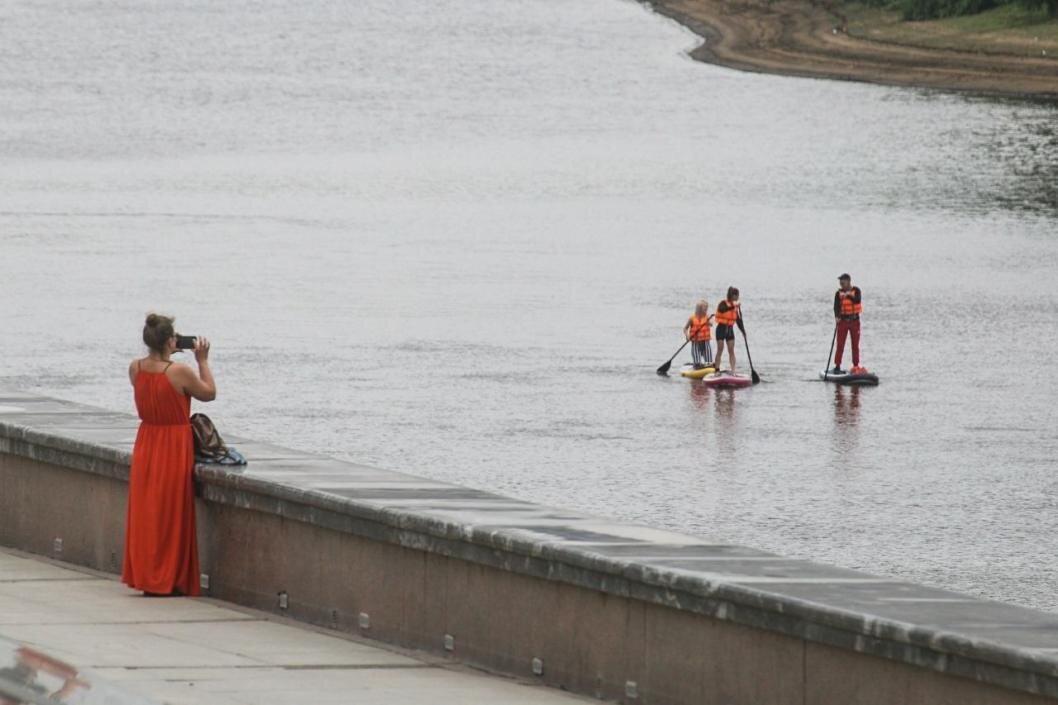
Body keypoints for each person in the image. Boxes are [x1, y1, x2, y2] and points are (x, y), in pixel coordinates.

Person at [122, 313, 215, 597]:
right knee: (170, 514)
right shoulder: (179, 371)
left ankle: (146, 574)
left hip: (146, 442)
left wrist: (164, 353)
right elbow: (209, 393)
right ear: (170, 341)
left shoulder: (135, 368)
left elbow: (151, 390)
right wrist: (202, 362)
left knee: (147, 513)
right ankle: (165, 577)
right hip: (172, 445)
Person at [831, 273, 863, 374]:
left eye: (843, 282)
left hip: (854, 321)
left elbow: (857, 300)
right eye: (840, 282)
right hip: (843, 322)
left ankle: (856, 366)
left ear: (848, 281)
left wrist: (848, 295)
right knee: (840, 344)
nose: (841, 284)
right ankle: (837, 366)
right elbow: (836, 306)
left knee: (855, 345)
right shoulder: (838, 293)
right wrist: (837, 316)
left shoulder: (856, 291)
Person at [713, 287, 741, 373]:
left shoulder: (736, 307)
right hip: (721, 329)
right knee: (720, 349)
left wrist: (743, 332)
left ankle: (733, 370)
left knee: (731, 350)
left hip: (730, 330)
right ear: (732, 295)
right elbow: (722, 310)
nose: (737, 297)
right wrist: (733, 306)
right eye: (736, 295)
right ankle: (717, 369)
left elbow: (739, 320)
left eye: (738, 296)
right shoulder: (723, 303)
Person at [682, 300, 713, 369]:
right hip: (695, 342)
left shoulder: (707, 317)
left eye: (706, 309)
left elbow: (711, 324)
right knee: (697, 362)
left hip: (705, 342)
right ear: (699, 309)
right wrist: (687, 336)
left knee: (709, 362)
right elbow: (685, 328)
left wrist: (709, 323)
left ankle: (708, 366)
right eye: (705, 309)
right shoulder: (692, 318)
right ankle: (697, 365)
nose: (706, 311)